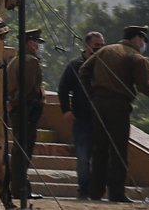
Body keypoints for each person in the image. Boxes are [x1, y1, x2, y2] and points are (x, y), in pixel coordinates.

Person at [79, 25, 149, 203]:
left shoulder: (105, 50)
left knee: (100, 150)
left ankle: (95, 192)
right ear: (137, 38)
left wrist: (92, 94)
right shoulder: (136, 58)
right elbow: (144, 86)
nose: (143, 44)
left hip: (98, 104)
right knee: (118, 151)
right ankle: (116, 193)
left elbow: (83, 71)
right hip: (118, 106)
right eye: (143, 40)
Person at [57, 31, 105, 200]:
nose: (99, 49)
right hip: (82, 119)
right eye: (96, 46)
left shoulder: (105, 66)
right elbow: (63, 89)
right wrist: (66, 110)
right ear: (87, 46)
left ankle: (96, 191)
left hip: (101, 119)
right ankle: (83, 190)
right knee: (83, 157)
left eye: (101, 46)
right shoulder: (75, 66)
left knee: (99, 157)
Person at [7, 28, 46, 201]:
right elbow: (27, 89)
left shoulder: (15, 60)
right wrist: (20, 105)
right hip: (26, 111)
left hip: (19, 110)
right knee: (23, 151)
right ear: (30, 43)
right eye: (37, 42)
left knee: (19, 150)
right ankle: (19, 188)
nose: (39, 45)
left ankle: (19, 186)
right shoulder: (30, 61)